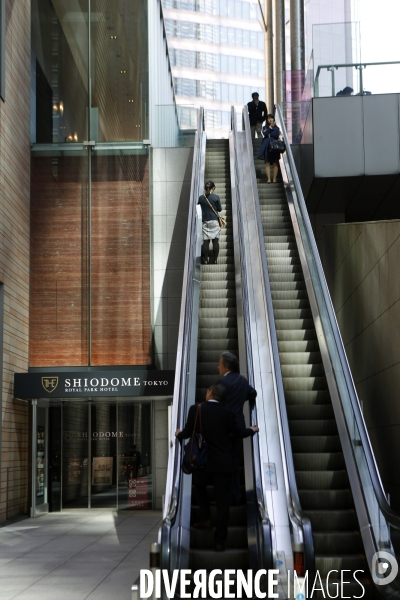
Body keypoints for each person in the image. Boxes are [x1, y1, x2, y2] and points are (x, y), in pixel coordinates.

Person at [175, 384, 258, 551]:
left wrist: (178, 434)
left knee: (199, 487)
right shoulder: (228, 413)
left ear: (210, 393)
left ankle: (205, 518)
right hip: (223, 464)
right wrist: (251, 430)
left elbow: (187, 433)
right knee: (222, 503)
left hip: (202, 462)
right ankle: (220, 541)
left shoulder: (196, 409)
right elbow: (239, 433)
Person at [217, 352, 257, 505]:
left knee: (222, 464)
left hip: (223, 429)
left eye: (220, 364)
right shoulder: (242, 380)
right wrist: (241, 399)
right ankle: (236, 496)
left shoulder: (222, 383)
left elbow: (215, 403)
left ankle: (225, 498)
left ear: (226, 366)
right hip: (238, 428)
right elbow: (253, 393)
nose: (218, 366)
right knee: (234, 462)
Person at [198, 181, 222, 265]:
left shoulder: (201, 198)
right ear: (213, 188)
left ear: (205, 188)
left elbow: (198, 209)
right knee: (215, 241)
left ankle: (205, 260)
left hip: (205, 221)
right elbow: (219, 209)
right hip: (214, 221)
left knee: (206, 241)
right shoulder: (216, 197)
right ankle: (215, 260)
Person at [257, 114, 281, 183]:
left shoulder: (277, 128)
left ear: (273, 119)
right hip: (267, 147)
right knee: (267, 163)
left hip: (275, 147)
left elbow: (276, 135)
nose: (270, 119)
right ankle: (268, 179)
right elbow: (265, 134)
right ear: (267, 120)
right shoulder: (265, 127)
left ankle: (274, 179)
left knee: (275, 163)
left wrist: (270, 132)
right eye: (268, 118)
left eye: (271, 118)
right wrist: (270, 128)